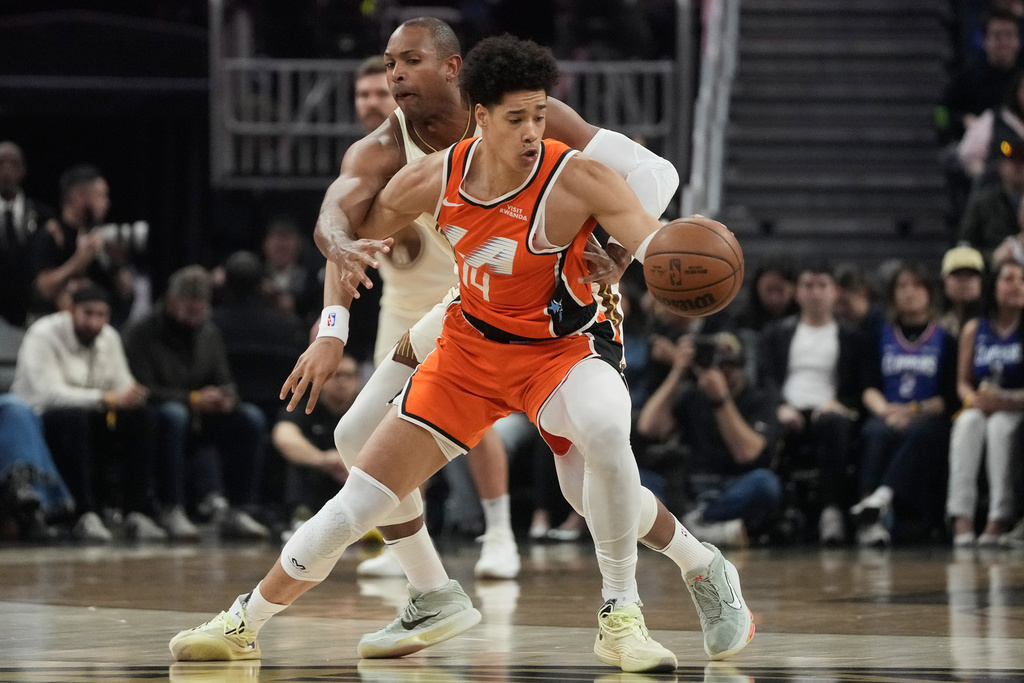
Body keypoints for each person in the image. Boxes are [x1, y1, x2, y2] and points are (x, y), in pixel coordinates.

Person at [170, 34, 752, 673]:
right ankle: (264, 618)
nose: (531, 131)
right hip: (466, 330)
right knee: (359, 464)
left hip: (562, 340)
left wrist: (631, 254)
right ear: (479, 114)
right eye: (516, 119)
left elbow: (650, 224)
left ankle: (629, 609)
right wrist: (332, 330)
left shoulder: (571, 163)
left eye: (538, 116)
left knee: (601, 457)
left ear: (453, 74)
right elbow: (346, 239)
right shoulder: (405, 164)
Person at [122, 266, 270, 540]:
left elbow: (225, 379)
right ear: (170, 300)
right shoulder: (140, 332)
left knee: (250, 419)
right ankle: (172, 508)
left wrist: (226, 398)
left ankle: (238, 509)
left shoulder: (208, 332)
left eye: (200, 311)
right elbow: (139, 389)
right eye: (189, 311)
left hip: (204, 414)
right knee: (174, 415)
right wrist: (192, 399)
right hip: (156, 415)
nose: (195, 318)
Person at [11, 283, 164, 542]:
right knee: (74, 418)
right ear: (70, 310)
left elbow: (122, 384)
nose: (95, 323)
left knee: (140, 416)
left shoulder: (109, 337)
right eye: (88, 313)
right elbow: (48, 394)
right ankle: (84, 514)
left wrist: (130, 395)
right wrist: (105, 398)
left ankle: (135, 512)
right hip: (40, 418)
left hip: (91, 413)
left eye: (101, 315)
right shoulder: (42, 334)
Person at [636, 331, 782, 548]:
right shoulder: (692, 394)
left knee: (765, 484)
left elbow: (747, 454)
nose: (720, 373)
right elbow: (647, 427)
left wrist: (721, 400)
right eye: (715, 366)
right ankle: (697, 527)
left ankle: (688, 525)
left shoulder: (759, 399)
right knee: (636, 480)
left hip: (733, 486)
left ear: (740, 367)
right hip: (689, 488)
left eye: (727, 367)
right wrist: (678, 372)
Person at [759, 264, 868, 545]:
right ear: (797, 292)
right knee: (769, 422)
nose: (815, 293)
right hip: (789, 408)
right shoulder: (776, 333)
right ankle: (773, 514)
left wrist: (838, 404)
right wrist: (780, 406)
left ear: (835, 292)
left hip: (829, 411)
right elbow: (767, 379)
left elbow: (859, 386)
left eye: (822, 286)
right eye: (808, 285)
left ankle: (831, 511)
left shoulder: (852, 336)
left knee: (834, 423)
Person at [853, 264, 958, 546]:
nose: (909, 292)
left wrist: (911, 411)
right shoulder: (878, 336)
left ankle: (882, 498)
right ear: (892, 295)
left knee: (921, 432)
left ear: (929, 293)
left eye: (917, 285)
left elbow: (949, 398)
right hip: (886, 412)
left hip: (926, 416)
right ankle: (868, 515)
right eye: (902, 286)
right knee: (874, 431)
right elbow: (867, 388)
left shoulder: (946, 340)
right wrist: (888, 411)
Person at [947, 258, 1024, 547]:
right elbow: (962, 382)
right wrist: (973, 400)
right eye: (1008, 279)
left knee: (1000, 429)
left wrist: (1003, 401)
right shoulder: (974, 328)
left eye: (1021, 280)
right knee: (967, 423)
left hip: (1016, 408)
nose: (1016, 285)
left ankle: (999, 516)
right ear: (994, 287)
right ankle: (960, 515)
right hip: (983, 405)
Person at [30, 165, 135, 325]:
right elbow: (44, 288)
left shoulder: (103, 237)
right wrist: (80, 260)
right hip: (59, 330)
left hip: (104, 329)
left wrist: (115, 263)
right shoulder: (51, 235)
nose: (106, 203)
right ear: (79, 196)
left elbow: (126, 291)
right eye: (101, 195)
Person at [272, 355, 361, 532]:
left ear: (357, 381)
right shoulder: (304, 406)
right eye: (337, 375)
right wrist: (325, 460)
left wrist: (353, 465)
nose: (342, 382)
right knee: (299, 461)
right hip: (316, 483)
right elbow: (284, 437)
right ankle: (301, 517)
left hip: (354, 482)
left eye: (349, 376)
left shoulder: (366, 411)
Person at [0, 141, 53, 327]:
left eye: (13, 164)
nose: (6, 171)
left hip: (34, 310)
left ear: (23, 170)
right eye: (0, 164)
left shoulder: (44, 216)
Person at [958, 137, 1024, 262]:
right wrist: (993, 257)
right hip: (990, 275)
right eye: (1012, 160)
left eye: (1022, 160)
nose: (1018, 165)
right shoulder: (983, 203)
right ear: (1001, 166)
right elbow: (964, 247)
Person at [939, 245, 986, 338]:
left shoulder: (995, 324)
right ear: (944, 280)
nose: (964, 281)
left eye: (971, 274)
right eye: (957, 274)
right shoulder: (934, 326)